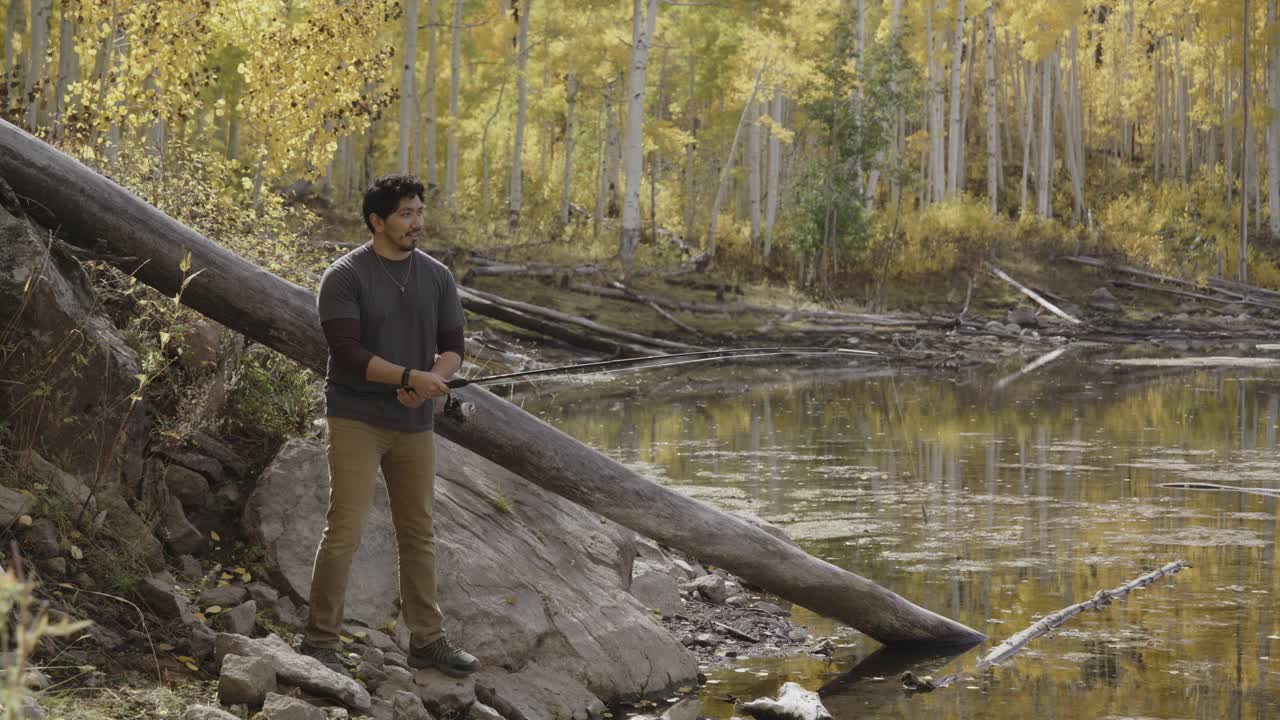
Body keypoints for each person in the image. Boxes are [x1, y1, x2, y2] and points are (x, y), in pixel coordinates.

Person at [302, 174, 478, 677]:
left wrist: (430, 382)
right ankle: (320, 639)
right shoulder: (345, 276)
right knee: (345, 532)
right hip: (356, 416)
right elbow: (348, 352)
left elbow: (452, 349)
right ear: (376, 221)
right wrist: (407, 375)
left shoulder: (438, 276)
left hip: (414, 422)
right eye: (405, 214)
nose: (416, 222)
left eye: (419, 212)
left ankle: (427, 640)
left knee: (419, 533)